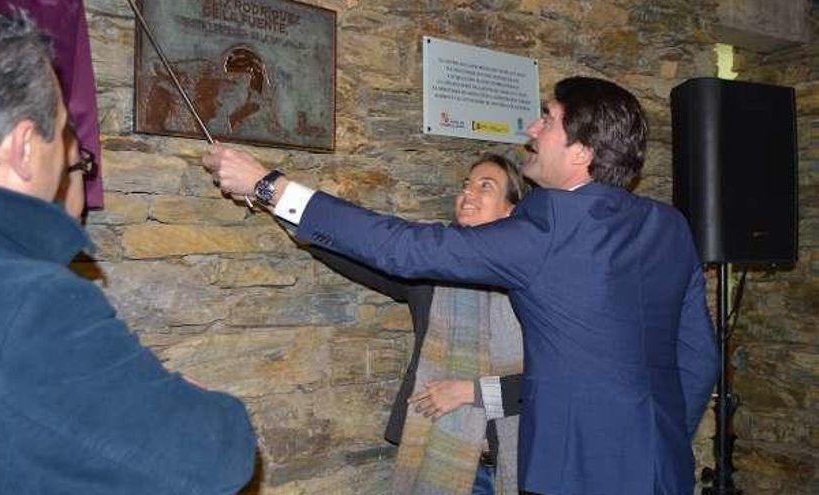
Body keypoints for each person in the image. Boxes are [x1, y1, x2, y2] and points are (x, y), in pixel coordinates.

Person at [203, 76, 720, 494]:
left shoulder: (549, 228)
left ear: (581, 151)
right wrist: (662, 435)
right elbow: (698, 358)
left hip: (576, 474)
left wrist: (271, 186)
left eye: (548, 117)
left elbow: (403, 248)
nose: (532, 129)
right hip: (662, 467)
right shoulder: (668, 225)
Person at [0, 4, 255, 494]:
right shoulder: (27, 305)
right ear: (24, 148)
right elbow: (210, 455)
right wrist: (197, 405)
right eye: (64, 128)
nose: (71, 149)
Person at [306, 154, 525, 494]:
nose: (468, 193)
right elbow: (363, 255)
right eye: (466, 185)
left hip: (516, 463)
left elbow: (552, 388)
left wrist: (472, 392)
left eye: (486, 186)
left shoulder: (535, 283)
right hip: (439, 459)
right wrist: (300, 223)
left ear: (511, 209)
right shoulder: (430, 267)